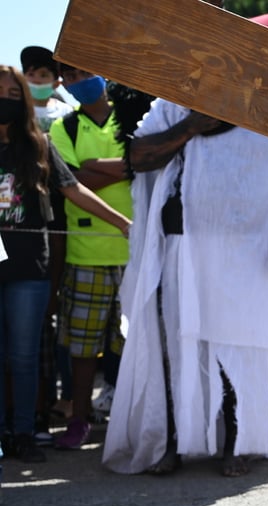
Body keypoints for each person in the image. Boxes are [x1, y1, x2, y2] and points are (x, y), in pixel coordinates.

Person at [102, 1, 268, 476]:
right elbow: (139, 156)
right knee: (181, 343)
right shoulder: (175, 101)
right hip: (182, 247)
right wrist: (190, 127)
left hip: (252, 250)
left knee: (241, 346)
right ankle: (176, 441)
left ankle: (241, 443)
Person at [0, 65, 131, 463]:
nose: (4, 99)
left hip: (28, 270)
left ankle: (23, 432)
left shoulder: (37, 143)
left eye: (11, 92)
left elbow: (74, 189)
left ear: (21, 99)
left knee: (23, 357)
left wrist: (124, 224)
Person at [48, 65, 133, 449]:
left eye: (84, 70)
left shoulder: (135, 115)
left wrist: (96, 169)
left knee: (139, 345)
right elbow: (74, 183)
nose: (78, 78)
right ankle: (78, 420)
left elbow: (149, 163)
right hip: (86, 256)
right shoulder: (60, 129)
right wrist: (129, 165)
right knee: (83, 350)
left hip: (139, 253)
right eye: (69, 74)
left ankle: (136, 422)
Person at [19, 46, 72, 133]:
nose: (36, 80)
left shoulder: (67, 112)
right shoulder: (16, 109)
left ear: (56, 84)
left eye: (43, 75)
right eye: (31, 74)